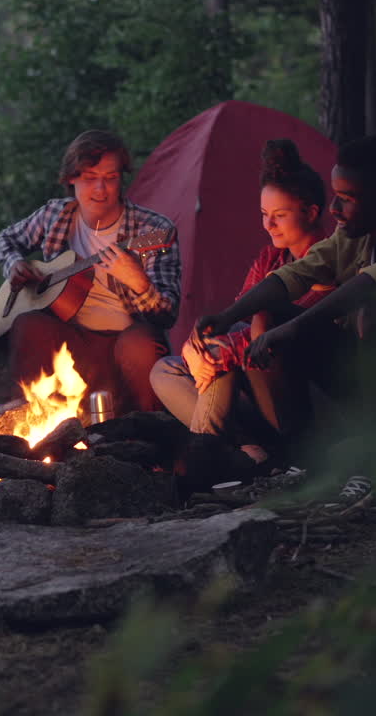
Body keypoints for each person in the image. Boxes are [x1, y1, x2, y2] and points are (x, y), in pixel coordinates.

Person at [190, 135, 376, 504]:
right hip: (370, 382)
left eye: (345, 199)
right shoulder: (353, 236)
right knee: (274, 317)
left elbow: (372, 283)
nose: (333, 208)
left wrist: (297, 327)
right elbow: (297, 273)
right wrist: (228, 315)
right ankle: (303, 463)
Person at [150, 139, 335, 494]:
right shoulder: (269, 260)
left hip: (300, 399)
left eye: (279, 216)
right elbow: (236, 318)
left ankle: (207, 462)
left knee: (229, 361)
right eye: (264, 215)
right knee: (165, 369)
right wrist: (196, 346)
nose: (269, 225)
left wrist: (220, 353)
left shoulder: (328, 261)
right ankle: (245, 451)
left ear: (311, 212)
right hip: (253, 395)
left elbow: (286, 328)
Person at [0, 130, 181, 415]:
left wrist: (139, 283)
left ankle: (148, 432)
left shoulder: (152, 230)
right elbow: (5, 240)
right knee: (29, 325)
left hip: (125, 344)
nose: (100, 189)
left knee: (140, 343)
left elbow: (167, 314)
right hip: (72, 342)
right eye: (90, 177)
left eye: (110, 178)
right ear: (71, 178)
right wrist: (15, 264)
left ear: (121, 178)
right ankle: (30, 422)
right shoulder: (55, 216)